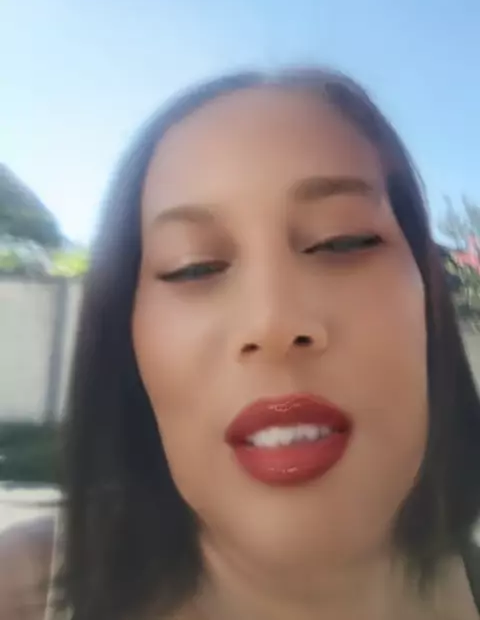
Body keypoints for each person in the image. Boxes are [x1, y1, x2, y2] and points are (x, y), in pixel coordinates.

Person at [2, 67, 480, 620]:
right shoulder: (23, 591)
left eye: (340, 241)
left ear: (429, 299)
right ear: (125, 341)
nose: (272, 324)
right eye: (193, 267)